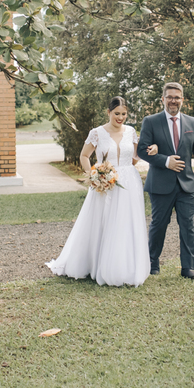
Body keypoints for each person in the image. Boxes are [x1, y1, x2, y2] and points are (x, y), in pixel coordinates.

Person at [46, 96, 149, 287]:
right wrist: (94, 175)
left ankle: (125, 266)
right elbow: (84, 156)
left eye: (124, 114)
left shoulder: (132, 132)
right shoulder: (97, 133)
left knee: (127, 223)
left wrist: (149, 151)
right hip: (105, 182)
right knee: (105, 222)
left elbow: (134, 158)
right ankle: (97, 264)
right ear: (108, 112)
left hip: (130, 182)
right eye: (116, 113)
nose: (120, 117)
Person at [137, 82, 194, 279]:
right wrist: (165, 161)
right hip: (160, 184)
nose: (173, 101)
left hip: (186, 185)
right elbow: (141, 150)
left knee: (187, 225)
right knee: (159, 224)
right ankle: (152, 262)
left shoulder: (192, 122)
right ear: (163, 99)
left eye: (177, 97)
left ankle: (188, 267)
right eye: (169, 97)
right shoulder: (151, 121)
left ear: (182, 100)